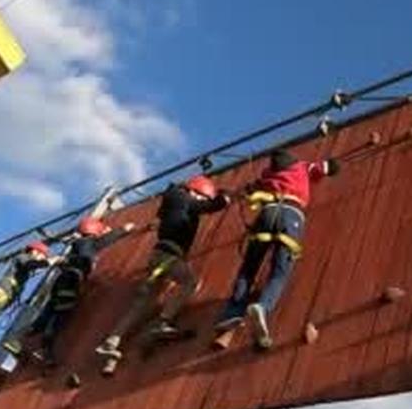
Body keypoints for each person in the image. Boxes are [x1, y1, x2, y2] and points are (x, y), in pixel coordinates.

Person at [95, 176, 230, 365]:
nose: (202, 201)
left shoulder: (172, 198)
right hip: (169, 256)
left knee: (143, 303)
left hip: (157, 256)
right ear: (195, 192)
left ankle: (111, 341)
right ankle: (162, 322)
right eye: (202, 197)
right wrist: (222, 198)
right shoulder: (185, 200)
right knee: (190, 282)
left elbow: (163, 217)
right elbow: (207, 207)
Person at [216, 149, 340, 348]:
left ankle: (233, 313)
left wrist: (227, 194)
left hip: (266, 214)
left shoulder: (267, 175)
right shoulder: (303, 167)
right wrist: (333, 164)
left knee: (248, 269)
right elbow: (329, 167)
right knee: (280, 271)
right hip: (291, 216)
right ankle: (262, 307)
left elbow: (244, 191)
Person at [18, 216, 137, 369]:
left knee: (48, 312)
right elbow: (111, 237)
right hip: (72, 280)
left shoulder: (76, 245)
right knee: (60, 316)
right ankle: (44, 349)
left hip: (61, 281)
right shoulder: (90, 243)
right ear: (94, 230)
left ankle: (19, 338)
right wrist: (127, 227)